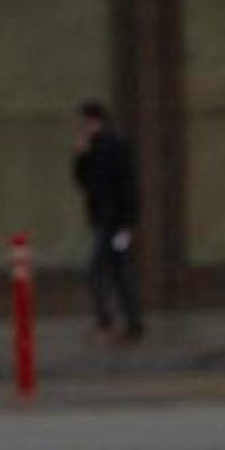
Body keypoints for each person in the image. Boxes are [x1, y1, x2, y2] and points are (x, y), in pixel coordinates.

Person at [73, 101, 143, 342]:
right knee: (117, 270)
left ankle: (113, 322)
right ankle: (127, 322)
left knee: (102, 270)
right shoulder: (93, 148)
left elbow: (126, 185)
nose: (81, 128)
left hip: (115, 222)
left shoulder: (114, 146)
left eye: (84, 122)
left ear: (95, 121)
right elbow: (85, 183)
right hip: (103, 219)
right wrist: (81, 157)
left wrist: (128, 222)